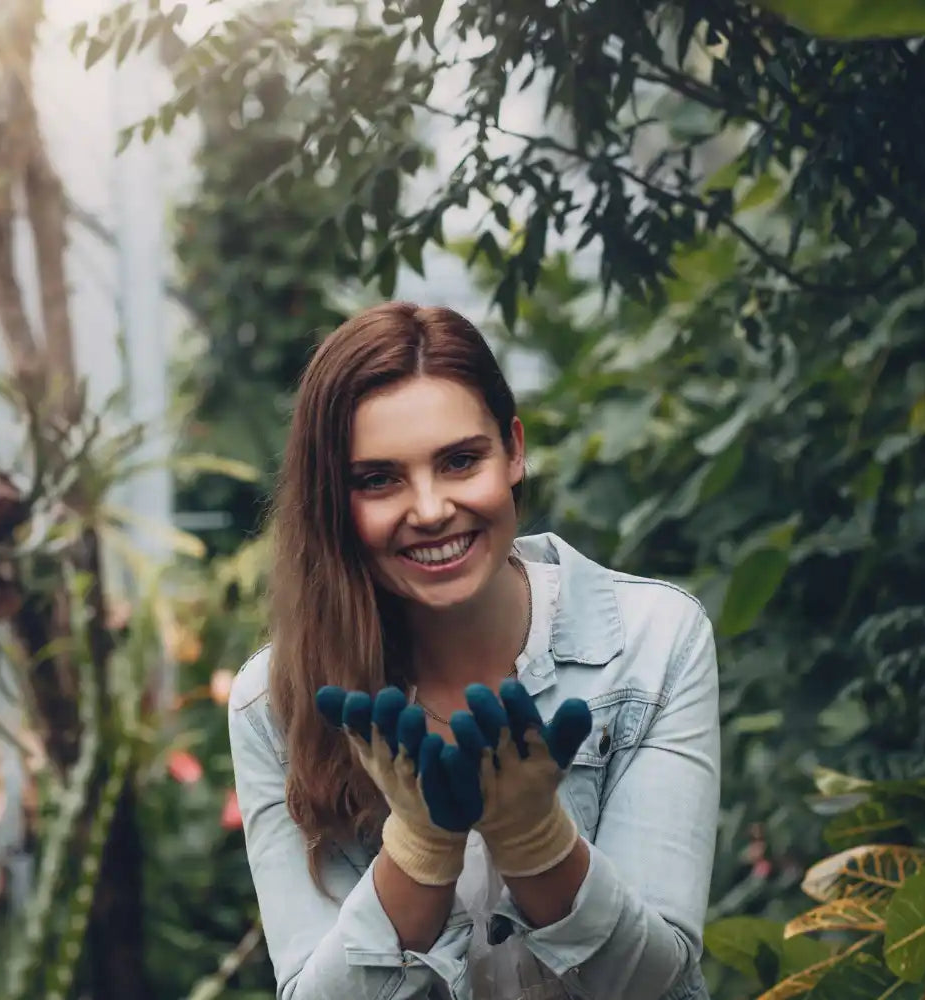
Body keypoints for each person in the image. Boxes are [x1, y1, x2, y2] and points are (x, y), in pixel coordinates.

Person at [226, 301, 722, 1000]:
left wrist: (535, 839)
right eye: (378, 479)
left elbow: (657, 983)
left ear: (513, 450)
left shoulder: (652, 643)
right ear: (332, 499)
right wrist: (422, 848)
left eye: (460, 461)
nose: (430, 510)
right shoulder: (271, 704)